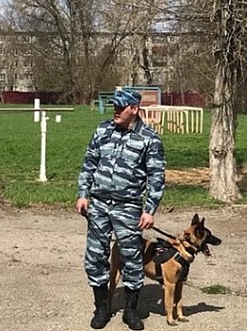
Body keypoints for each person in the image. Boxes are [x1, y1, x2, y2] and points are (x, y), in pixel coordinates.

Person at [76, 88, 166, 330]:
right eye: (114, 106)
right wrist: (83, 194)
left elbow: (156, 177)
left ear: (134, 109)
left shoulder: (149, 139)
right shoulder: (103, 130)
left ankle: (130, 311)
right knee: (95, 256)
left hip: (128, 207)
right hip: (99, 204)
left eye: (121, 107)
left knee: (131, 259)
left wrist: (149, 210)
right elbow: (89, 163)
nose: (116, 110)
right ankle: (101, 307)